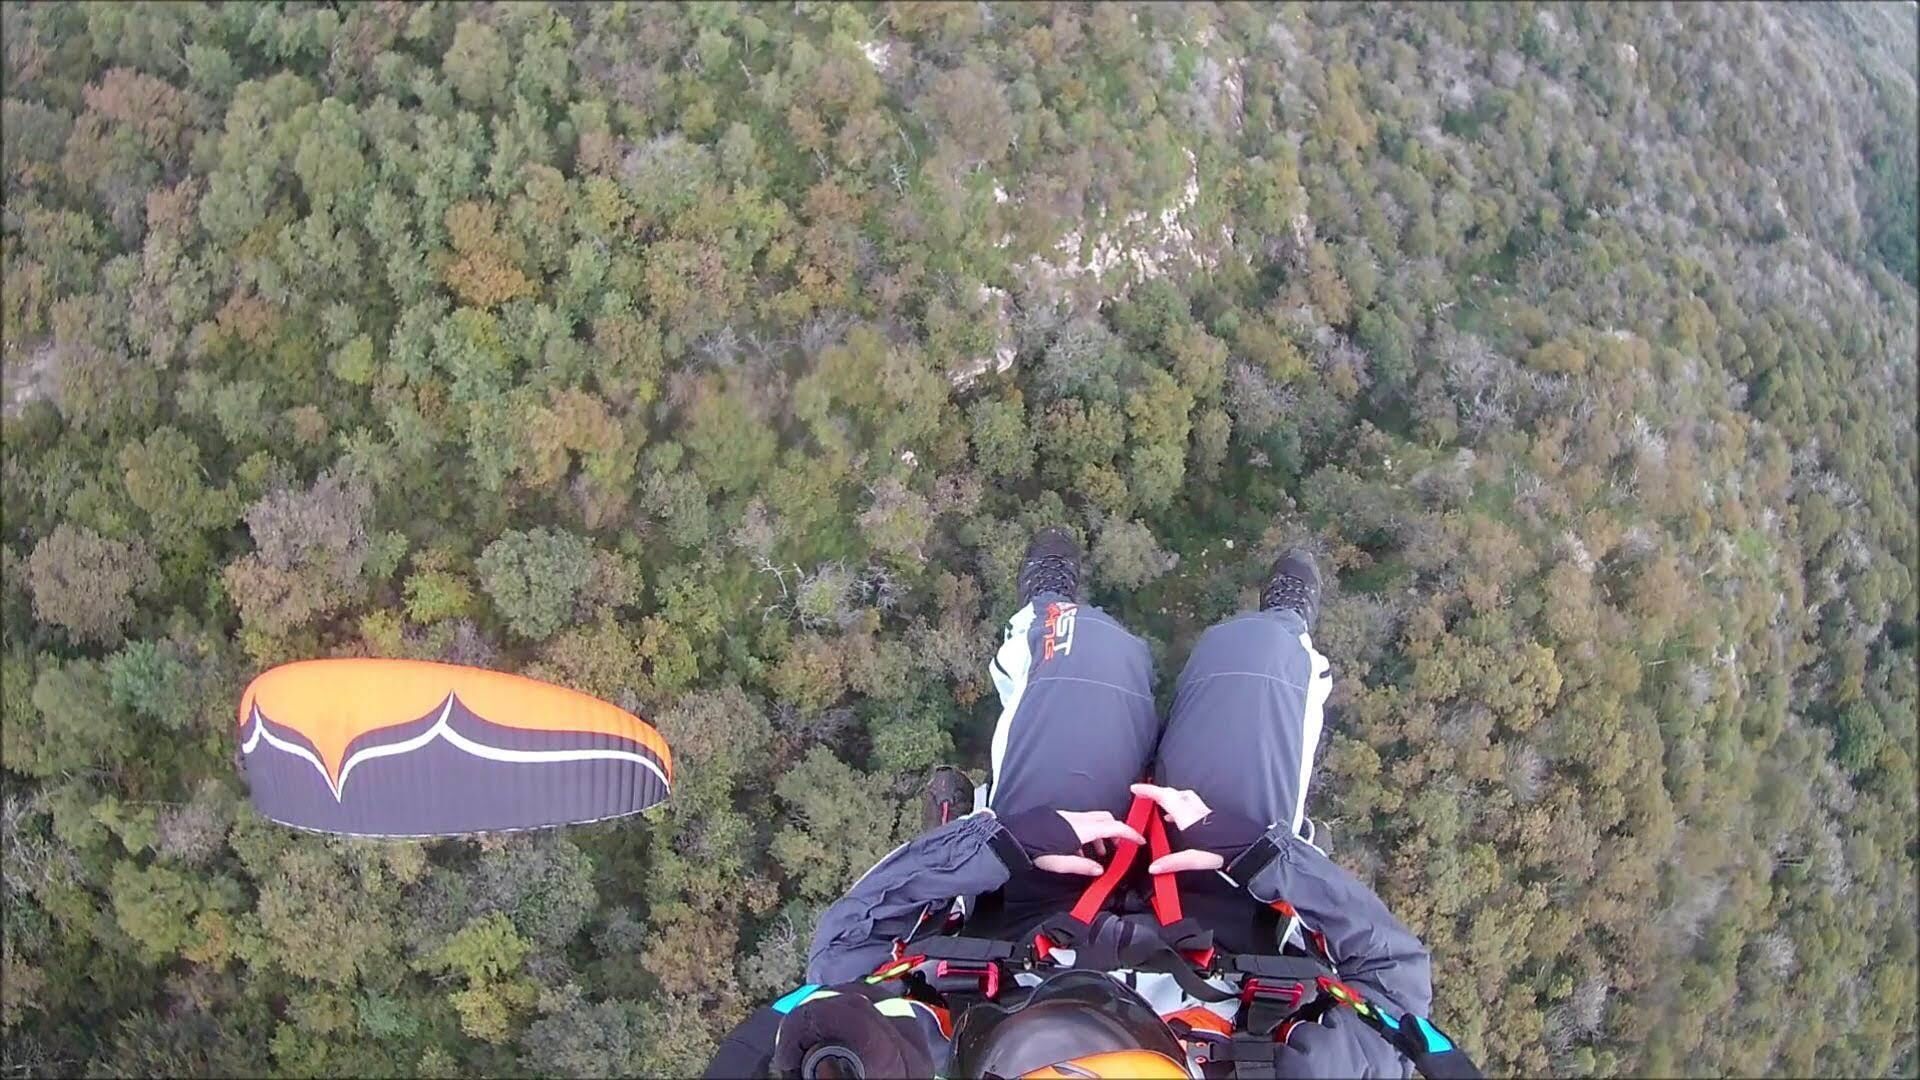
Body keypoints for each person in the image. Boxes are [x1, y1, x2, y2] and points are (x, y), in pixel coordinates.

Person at [708, 530, 1467, 1079]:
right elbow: (1392, 984)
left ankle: (1050, 608)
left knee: (1076, 661)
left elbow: (848, 950)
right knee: (1261, 667)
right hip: (1228, 895)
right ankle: (1282, 624)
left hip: (1038, 882)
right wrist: (1263, 854)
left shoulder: (916, 1063)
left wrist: (1000, 845)